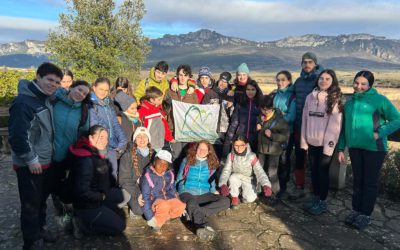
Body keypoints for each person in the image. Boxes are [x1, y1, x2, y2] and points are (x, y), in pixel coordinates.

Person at [8, 62, 63, 249]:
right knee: (30, 204)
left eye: (57, 82)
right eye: (50, 80)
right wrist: (30, 159)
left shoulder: (44, 99)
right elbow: (17, 136)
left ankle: (40, 230)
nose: (53, 84)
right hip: (30, 164)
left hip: (44, 161)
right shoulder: (24, 102)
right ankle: (31, 242)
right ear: (38, 77)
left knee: (40, 200)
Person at [338, 70, 400, 230]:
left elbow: (397, 119)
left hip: (374, 149)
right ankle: (356, 210)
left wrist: (379, 133)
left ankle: (365, 215)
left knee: (369, 182)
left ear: (370, 85)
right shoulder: (350, 103)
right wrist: (340, 148)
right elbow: (344, 128)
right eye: (356, 83)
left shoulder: (379, 100)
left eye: (363, 84)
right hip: (355, 147)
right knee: (358, 180)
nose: (359, 86)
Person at [67, 125, 130, 239]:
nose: (105, 141)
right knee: (120, 226)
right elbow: (82, 192)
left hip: (98, 196)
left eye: (106, 138)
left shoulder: (94, 153)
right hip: (87, 205)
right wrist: (100, 197)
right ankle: (82, 225)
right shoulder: (85, 159)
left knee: (125, 195)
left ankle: (102, 215)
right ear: (91, 138)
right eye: (101, 137)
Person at [300, 69, 343, 215]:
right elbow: (304, 120)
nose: (323, 81)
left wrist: (328, 148)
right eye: (321, 78)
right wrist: (304, 142)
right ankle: (316, 198)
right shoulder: (309, 97)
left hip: (326, 145)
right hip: (312, 142)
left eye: (327, 79)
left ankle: (323, 202)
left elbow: (334, 126)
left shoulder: (334, 99)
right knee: (314, 172)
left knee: (322, 172)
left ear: (332, 82)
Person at [52, 80, 92, 228]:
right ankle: (56, 217)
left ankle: (68, 218)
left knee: (65, 189)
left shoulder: (83, 110)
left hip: (68, 156)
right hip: (49, 154)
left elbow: (84, 133)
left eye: (84, 93)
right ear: (71, 87)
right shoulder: (55, 101)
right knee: (51, 188)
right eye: (79, 89)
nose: (80, 94)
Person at [176, 140, 230, 240]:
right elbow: (179, 178)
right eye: (200, 148)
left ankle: (194, 212)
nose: (202, 151)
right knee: (191, 203)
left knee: (225, 201)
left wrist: (214, 191)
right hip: (187, 191)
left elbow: (212, 180)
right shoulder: (186, 160)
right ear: (196, 149)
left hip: (204, 193)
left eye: (204, 149)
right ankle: (203, 226)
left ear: (209, 151)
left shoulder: (211, 162)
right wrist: (177, 193)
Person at [290, 52, 324, 200]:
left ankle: (314, 189)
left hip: (316, 128)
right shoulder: (298, 82)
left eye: (310, 62)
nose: (307, 65)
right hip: (299, 125)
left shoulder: (321, 80)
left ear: (315, 63)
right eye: (304, 62)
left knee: (315, 160)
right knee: (299, 157)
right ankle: (299, 186)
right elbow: (289, 94)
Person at [219, 134, 272, 208]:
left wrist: (266, 184)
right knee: (233, 178)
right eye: (236, 145)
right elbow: (226, 170)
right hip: (236, 177)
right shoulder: (231, 155)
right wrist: (222, 184)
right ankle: (234, 197)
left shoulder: (251, 156)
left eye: (242, 145)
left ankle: (243, 193)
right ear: (233, 145)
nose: (239, 148)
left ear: (246, 145)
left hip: (248, 179)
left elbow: (260, 171)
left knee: (250, 198)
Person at [90, 77, 128, 180]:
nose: (103, 92)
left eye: (106, 90)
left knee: (112, 175)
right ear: (94, 88)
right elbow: (97, 126)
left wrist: (122, 141)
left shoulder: (108, 103)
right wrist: (114, 144)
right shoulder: (91, 105)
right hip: (100, 147)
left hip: (112, 147)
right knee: (100, 177)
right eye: (100, 89)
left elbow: (115, 123)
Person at [139, 150, 186, 231]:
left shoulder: (169, 174)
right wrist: (149, 217)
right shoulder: (148, 176)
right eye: (159, 163)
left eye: (165, 164)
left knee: (181, 205)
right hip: (154, 202)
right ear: (154, 162)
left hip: (167, 199)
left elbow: (173, 190)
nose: (162, 166)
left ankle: (166, 216)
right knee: (164, 206)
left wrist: (178, 202)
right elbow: (145, 197)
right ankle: (157, 224)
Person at [256, 95, 289, 204]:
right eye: (263, 109)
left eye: (268, 109)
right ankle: (261, 191)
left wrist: (272, 135)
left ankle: (276, 194)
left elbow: (285, 136)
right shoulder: (260, 117)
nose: (265, 111)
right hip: (261, 149)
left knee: (272, 173)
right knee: (260, 170)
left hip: (274, 151)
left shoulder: (279, 120)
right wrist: (256, 128)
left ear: (272, 108)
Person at [164, 64, 199, 163]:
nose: (182, 78)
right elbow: (165, 111)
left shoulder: (193, 93)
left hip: (188, 130)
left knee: (187, 154)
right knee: (176, 154)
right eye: (180, 75)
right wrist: (167, 105)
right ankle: (174, 176)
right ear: (177, 76)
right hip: (174, 129)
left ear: (189, 77)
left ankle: (183, 176)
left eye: (185, 75)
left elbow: (196, 112)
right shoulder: (170, 91)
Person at [270, 70, 296, 198]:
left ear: (289, 81)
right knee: (275, 159)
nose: (280, 82)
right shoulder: (276, 94)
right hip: (274, 131)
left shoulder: (292, 96)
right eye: (278, 80)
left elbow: (291, 116)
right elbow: (272, 112)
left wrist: (276, 119)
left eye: (283, 80)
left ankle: (283, 186)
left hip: (286, 133)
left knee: (284, 159)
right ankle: (274, 186)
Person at [118, 127, 154, 219]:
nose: (142, 139)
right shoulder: (127, 156)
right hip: (134, 189)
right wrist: (138, 194)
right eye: (139, 137)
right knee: (140, 210)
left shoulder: (155, 156)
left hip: (151, 189)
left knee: (155, 207)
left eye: (144, 136)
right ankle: (131, 203)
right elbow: (124, 180)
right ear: (134, 140)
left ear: (148, 139)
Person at [224, 80, 263, 154]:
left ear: (256, 90)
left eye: (253, 89)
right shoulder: (240, 104)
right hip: (241, 140)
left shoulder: (260, 105)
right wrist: (228, 142)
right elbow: (234, 124)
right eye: (248, 89)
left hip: (255, 140)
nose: (250, 92)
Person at [202, 72, 234, 158]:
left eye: (225, 82)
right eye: (221, 80)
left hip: (224, 128)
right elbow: (203, 109)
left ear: (228, 83)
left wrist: (230, 107)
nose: (222, 83)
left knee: (221, 152)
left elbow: (233, 114)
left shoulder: (231, 95)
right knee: (209, 151)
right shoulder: (210, 93)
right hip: (210, 127)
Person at [138, 86, 175, 152]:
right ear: (152, 100)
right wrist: (170, 138)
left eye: (161, 99)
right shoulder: (142, 110)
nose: (161, 101)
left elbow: (164, 125)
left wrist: (169, 138)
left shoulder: (158, 109)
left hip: (157, 142)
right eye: (159, 99)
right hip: (145, 142)